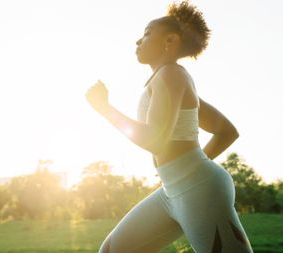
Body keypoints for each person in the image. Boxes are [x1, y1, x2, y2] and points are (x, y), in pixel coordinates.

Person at [85, 1, 254, 253]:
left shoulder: (171, 74)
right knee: (112, 249)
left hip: (198, 188)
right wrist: (184, 171)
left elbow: (155, 140)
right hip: (173, 188)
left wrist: (104, 107)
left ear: (170, 41)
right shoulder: (170, 78)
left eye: (147, 33)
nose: (138, 41)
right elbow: (226, 130)